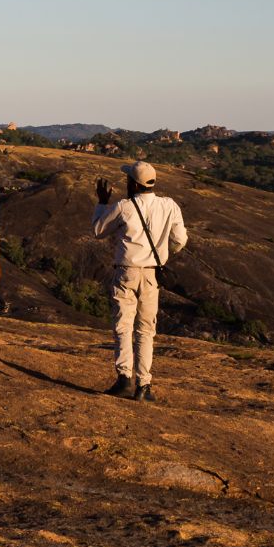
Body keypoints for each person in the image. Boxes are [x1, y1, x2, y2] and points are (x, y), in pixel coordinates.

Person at [92, 160, 188, 402]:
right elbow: (180, 240)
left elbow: (98, 231)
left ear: (133, 184)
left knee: (123, 326)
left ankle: (124, 379)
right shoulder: (169, 206)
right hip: (152, 272)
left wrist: (102, 203)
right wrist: (165, 251)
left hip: (126, 271)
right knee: (146, 330)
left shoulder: (124, 206)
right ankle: (144, 386)